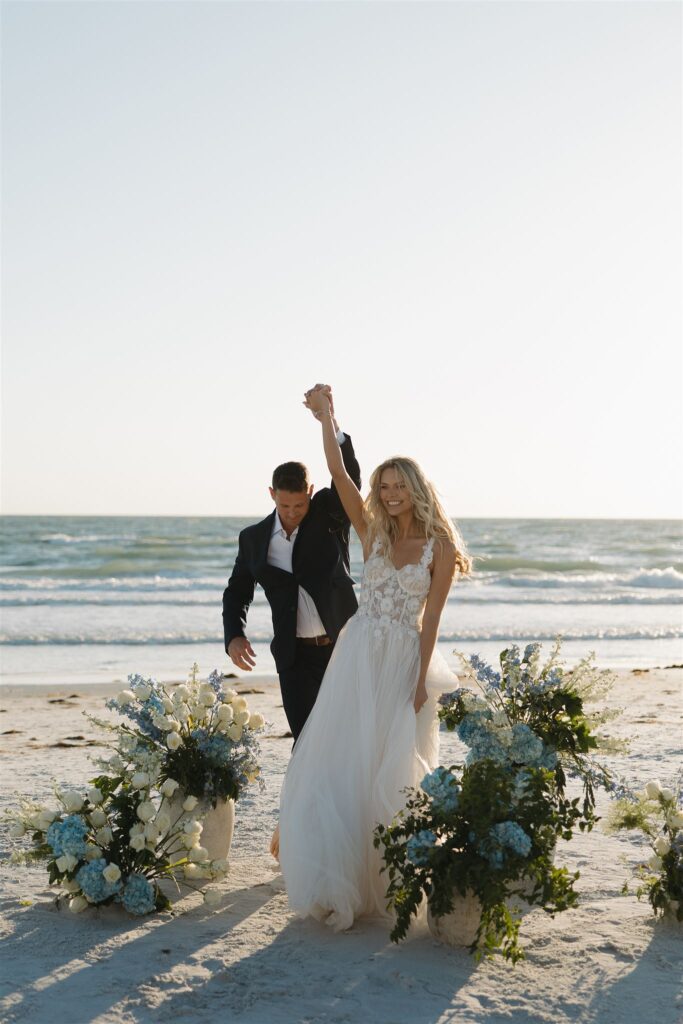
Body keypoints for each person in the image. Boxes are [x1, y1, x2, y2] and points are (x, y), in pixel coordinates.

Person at [278, 385, 471, 931]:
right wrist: (327, 418)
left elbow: (431, 618)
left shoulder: (440, 547)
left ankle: (391, 880)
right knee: (343, 762)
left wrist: (419, 679)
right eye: (382, 486)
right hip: (358, 652)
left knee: (392, 769)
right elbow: (339, 477)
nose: (387, 494)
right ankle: (340, 881)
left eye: (396, 486)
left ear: (414, 489)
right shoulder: (373, 534)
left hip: (404, 657)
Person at [222, 385, 362, 746]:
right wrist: (234, 635)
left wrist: (330, 421)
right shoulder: (253, 538)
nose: (292, 513)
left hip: (341, 647)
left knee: (347, 738)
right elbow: (237, 591)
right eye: (285, 506)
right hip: (293, 656)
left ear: (310, 493)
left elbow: (349, 478)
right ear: (272, 495)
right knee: (306, 741)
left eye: (299, 505)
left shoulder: (329, 515)